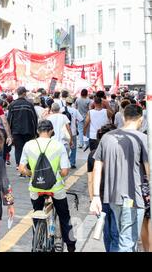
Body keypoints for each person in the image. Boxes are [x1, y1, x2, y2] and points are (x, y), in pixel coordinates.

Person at [90, 104, 150, 252]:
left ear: (123, 117)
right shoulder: (143, 139)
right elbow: (148, 171)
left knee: (125, 237)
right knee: (127, 242)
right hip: (133, 197)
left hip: (112, 197)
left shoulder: (107, 137)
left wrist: (96, 196)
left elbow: (97, 167)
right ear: (141, 119)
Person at [19, 120, 77, 252]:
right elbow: (65, 171)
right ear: (51, 131)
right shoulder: (58, 145)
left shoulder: (28, 145)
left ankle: (37, 240)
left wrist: (31, 174)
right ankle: (71, 246)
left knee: (36, 212)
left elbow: (22, 168)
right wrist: (57, 177)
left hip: (35, 187)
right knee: (64, 216)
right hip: (55, 187)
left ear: (37, 131)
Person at [85, 124, 119, 252]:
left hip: (100, 198)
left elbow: (90, 180)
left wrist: (92, 200)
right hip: (117, 198)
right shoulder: (120, 152)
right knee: (116, 233)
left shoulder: (93, 154)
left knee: (106, 231)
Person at [6, 87, 37, 172]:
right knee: (29, 149)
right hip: (28, 131)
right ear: (24, 93)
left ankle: (20, 168)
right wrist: (35, 133)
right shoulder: (29, 105)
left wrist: (10, 133)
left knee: (18, 149)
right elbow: (34, 119)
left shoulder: (12, 105)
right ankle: (29, 167)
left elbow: (9, 120)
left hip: (16, 131)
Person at [65, 97, 83, 169]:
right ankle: (72, 163)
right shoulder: (75, 110)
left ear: (66, 102)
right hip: (73, 131)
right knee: (73, 148)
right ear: (72, 103)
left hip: (64, 132)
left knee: (64, 148)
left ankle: (64, 162)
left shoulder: (62, 109)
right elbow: (81, 119)